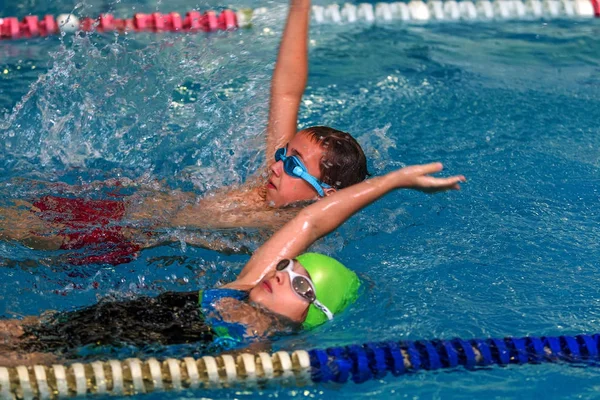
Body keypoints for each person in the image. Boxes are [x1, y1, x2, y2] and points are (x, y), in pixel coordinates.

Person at [0, 0, 368, 265]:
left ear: (326, 194)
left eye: (293, 165)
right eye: (282, 155)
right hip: (122, 207)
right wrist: (301, 5)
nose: (276, 165)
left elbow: (333, 212)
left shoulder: (292, 224)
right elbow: (286, 91)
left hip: (123, 239)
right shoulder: (265, 183)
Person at [0, 162, 466, 366]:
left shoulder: (253, 346)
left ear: (314, 315)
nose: (282, 274)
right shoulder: (244, 284)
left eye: (301, 286)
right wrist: (393, 182)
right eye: (289, 267)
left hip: (73, 359)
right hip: (57, 325)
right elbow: (310, 221)